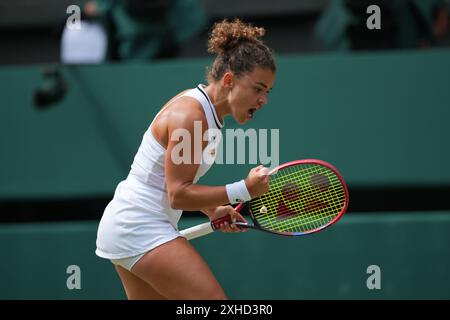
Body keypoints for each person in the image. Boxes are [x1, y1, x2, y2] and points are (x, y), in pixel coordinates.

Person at [95, 18, 276, 300]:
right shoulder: (191, 117)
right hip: (140, 225)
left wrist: (213, 209)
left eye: (268, 92)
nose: (264, 99)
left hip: (132, 226)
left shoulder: (205, 114)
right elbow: (178, 194)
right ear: (229, 81)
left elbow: (174, 184)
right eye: (258, 88)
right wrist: (244, 189)